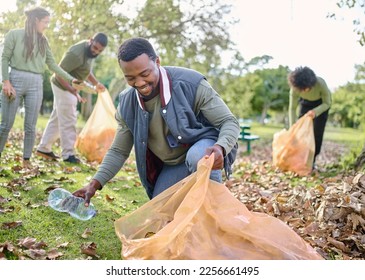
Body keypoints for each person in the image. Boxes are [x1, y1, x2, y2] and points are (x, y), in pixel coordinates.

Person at [73, 37, 240, 205]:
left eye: (145, 74)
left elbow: (229, 121)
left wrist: (221, 147)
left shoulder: (191, 83)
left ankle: (214, 212)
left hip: (202, 150)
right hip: (173, 165)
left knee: (198, 157)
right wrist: (94, 184)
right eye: (130, 78)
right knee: (159, 212)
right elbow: (118, 151)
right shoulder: (127, 103)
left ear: (157, 62)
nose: (139, 83)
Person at [0, 7, 78, 168]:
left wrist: (71, 79)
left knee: (30, 125)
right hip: (15, 79)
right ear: (36, 20)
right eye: (45, 22)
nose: (47, 25)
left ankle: (26, 160)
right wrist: (6, 81)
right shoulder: (14, 34)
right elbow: (4, 58)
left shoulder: (43, 41)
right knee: (6, 124)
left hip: (36, 83)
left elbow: (52, 65)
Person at [36, 33, 108, 164]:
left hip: (71, 85)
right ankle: (68, 154)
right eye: (95, 47)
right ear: (90, 40)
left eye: (99, 50)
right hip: (62, 85)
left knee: (57, 118)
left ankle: (44, 148)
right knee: (69, 119)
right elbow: (57, 73)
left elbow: (85, 70)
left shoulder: (89, 53)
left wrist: (96, 83)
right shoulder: (76, 53)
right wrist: (73, 91)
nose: (96, 51)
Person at [288, 66, 331, 169]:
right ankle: (301, 159)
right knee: (301, 133)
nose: (305, 90)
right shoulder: (295, 88)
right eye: (302, 89)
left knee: (317, 134)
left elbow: (327, 103)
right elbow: (292, 109)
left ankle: (312, 161)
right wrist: (292, 127)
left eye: (307, 88)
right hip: (305, 104)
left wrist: (315, 112)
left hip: (321, 105)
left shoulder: (321, 83)